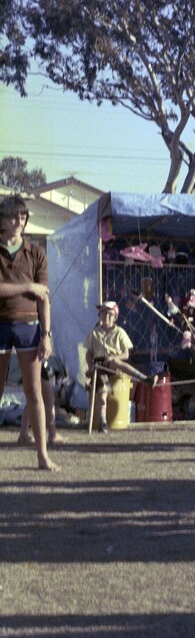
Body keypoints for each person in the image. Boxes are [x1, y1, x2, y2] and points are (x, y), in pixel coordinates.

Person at [0, 194, 57, 470]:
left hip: (29, 327)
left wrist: (47, 334)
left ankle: (43, 456)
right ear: (3, 219)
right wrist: (27, 287)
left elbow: (44, 297)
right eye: (14, 216)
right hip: (0, 324)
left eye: (23, 216)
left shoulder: (36, 253)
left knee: (35, 392)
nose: (19, 221)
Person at [84, 301, 155, 431]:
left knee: (116, 362)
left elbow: (126, 354)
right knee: (103, 390)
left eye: (109, 313)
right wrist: (90, 367)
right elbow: (89, 353)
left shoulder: (119, 332)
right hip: (99, 365)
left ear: (115, 317)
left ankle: (144, 378)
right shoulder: (94, 333)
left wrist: (113, 357)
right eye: (103, 313)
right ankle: (103, 422)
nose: (105, 316)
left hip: (113, 363)